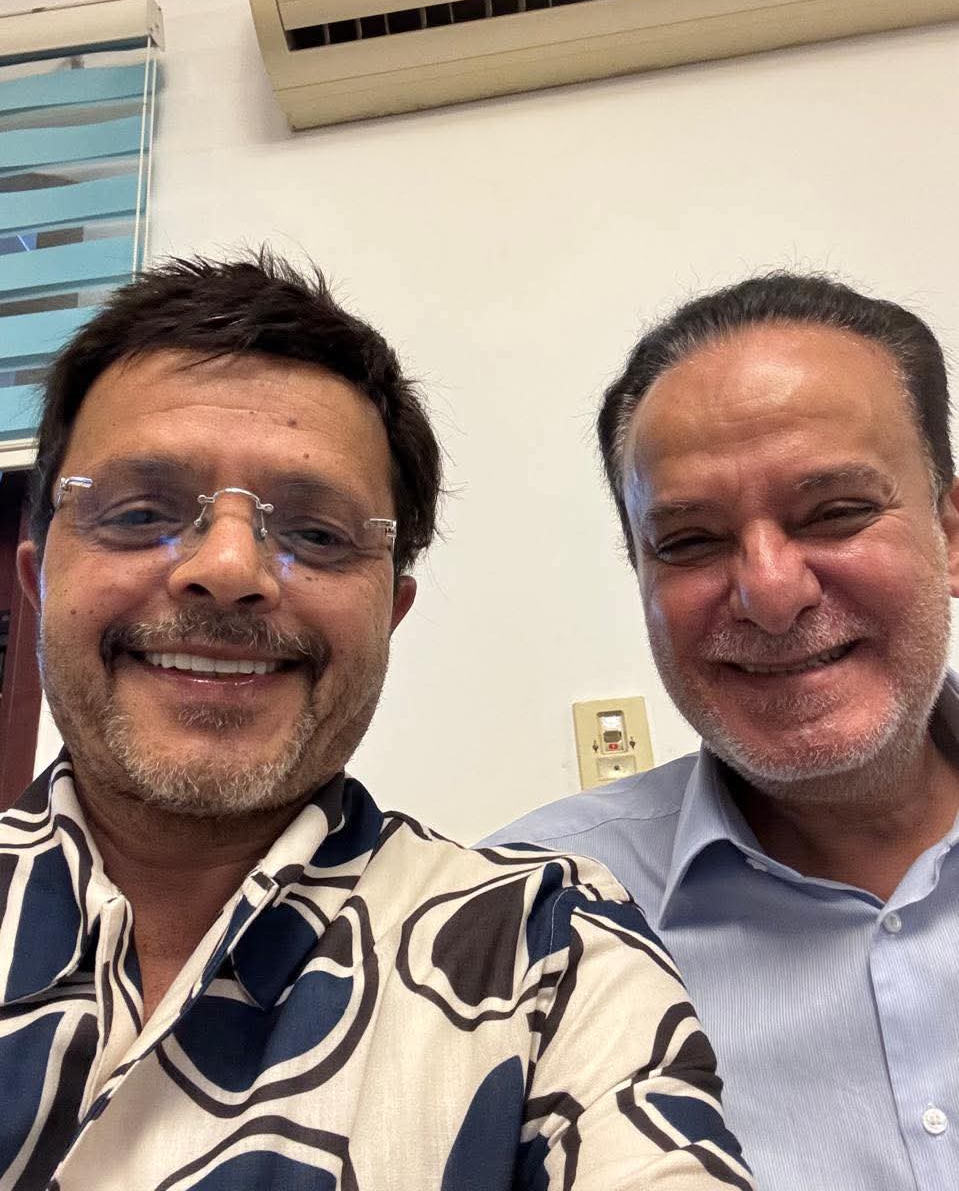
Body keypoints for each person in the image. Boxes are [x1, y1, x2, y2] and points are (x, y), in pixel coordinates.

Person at [0, 251, 752, 1191]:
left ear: (389, 614)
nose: (228, 570)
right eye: (141, 510)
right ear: (39, 580)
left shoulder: (548, 950)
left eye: (316, 533)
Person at [486, 272, 959, 1191]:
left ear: (949, 534)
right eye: (690, 542)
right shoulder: (519, 921)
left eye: (835, 512)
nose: (771, 594)